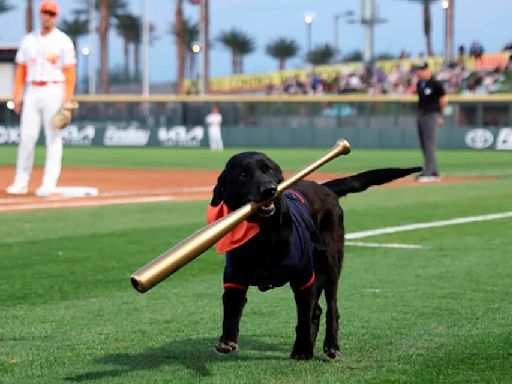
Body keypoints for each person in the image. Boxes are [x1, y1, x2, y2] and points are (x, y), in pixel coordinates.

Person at [6, 0, 76, 195]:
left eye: (51, 14)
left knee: (53, 138)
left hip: (54, 89)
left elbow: (70, 72)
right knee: (27, 138)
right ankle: (20, 182)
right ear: (40, 14)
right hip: (32, 90)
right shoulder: (29, 40)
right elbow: (21, 70)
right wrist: (17, 94)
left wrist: (68, 100)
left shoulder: (63, 41)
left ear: (56, 17)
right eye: (45, 13)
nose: (47, 17)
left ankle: (49, 183)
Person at [415, 62, 447, 182]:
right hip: (422, 115)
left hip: (432, 115)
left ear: (428, 70)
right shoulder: (420, 84)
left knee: (429, 144)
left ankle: (429, 171)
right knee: (424, 144)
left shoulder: (435, 84)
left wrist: (439, 114)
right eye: (419, 69)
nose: (420, 72)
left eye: (423, 69)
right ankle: (433, 171)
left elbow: (444, 100)